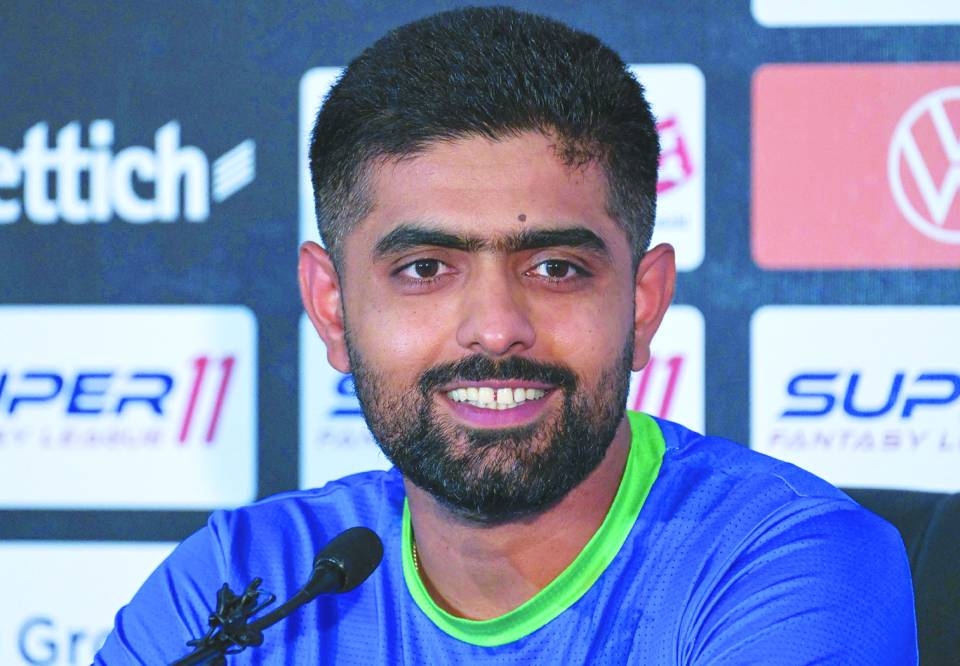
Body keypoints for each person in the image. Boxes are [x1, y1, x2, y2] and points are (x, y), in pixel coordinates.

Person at [95, 6, 917, 664]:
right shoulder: (245, 584)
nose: (495, 327)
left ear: (643, 300)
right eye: (424, 268)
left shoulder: (790, 568)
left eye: (556, 268)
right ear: (332, 307)